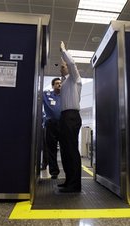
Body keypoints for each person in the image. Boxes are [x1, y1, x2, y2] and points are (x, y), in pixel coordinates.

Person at [58, 41, 82, 192]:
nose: (62, 67)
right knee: (65, 151)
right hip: (65, 117)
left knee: (71, 150)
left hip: (71, 117)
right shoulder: (65, 82)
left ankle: (75, 184)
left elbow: (72, 63)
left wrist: (63, 51)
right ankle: (69, 181)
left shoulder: (75, 78)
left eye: (63, 66)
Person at [42, 77, 62, 179]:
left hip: (63, 125)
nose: (59, 85)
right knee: (51, 149)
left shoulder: (65, 96)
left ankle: (68, 171)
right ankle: (54, 172)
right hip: (50, 125)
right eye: (57, 83)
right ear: (53, 85)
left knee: (65, 149)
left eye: (60, 83)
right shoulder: (47, 95)